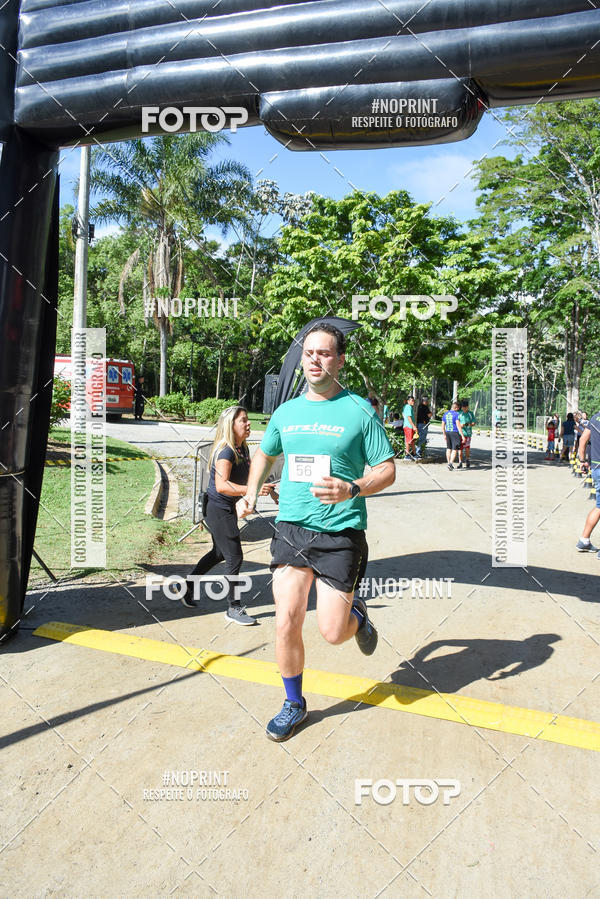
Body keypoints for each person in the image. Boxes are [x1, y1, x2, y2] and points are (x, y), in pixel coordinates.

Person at [241, 323, 395, 741]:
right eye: (309, 352)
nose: (314, 360)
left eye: (324, 353)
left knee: (332, 631)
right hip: (292, 528)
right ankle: (294, 703)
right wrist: (251, 493)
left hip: (340, 533)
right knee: (286, 620)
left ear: (339, 360)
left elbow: (387, 469)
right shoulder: (286, 412)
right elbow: (265, 454)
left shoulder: (359, 410)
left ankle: (357, 616)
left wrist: (353, 488)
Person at [183, 405, 277, 623]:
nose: (248, 423)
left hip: (225, 508)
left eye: (247, 419)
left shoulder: (242, 448)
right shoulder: (226, 451)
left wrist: (269, 491)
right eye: (243, 420)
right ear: (230, 425)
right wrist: (252, 491)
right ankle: (233, 609)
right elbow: (222, 485)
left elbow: (252, 475)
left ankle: (188, 586)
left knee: (219, 553)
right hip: (217, 509)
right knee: (234, 556)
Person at [575, 411, 600, 557]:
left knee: (599, 506)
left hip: (596, 468)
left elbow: (583, 439)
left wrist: (582, 461)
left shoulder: (595, 417)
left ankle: (584, 540)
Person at [442, 401, 464, 470]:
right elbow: (458, 425)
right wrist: (462, 435)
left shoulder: (445, 414)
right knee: (455, 449)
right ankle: (451, 463)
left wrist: (444, 434)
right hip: (454, 433)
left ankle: (448, 463)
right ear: (456, 408)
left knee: (448, 448)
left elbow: (443, 425)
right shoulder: (456, 414)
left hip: (448, 432)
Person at [458, 400, 476, 468]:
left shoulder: (470, 413)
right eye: (463, 407)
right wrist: (460, 425)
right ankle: (460, 462)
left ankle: (467, 460)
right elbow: (456, 422)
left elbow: (473, 423)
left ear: (467, 407)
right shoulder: (459, 413)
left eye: (465, 407)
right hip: (460, 434)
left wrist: (468, 424)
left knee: (467, 448)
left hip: (467, 434)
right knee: (460, 448)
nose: (464, 408)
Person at [402, 395, 417, 460]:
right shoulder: (408, 407)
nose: (413, 402)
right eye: (412, 400)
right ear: (408, 401)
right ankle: (407, 455)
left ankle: (414, 454)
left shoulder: (405, 406)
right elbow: (408, 417)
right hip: (409, 426)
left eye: (413, 400)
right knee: (409, 441)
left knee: (412, 441)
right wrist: (413, 426)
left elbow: (403, 414)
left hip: (407, 425)